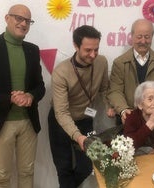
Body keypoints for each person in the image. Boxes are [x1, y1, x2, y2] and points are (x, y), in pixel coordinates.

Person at [0, 4, 45, 188]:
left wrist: (30, 96)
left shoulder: (33, 49)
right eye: (19, 18)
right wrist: (8, 98)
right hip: (1, 123)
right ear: (7, 18)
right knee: (1, 175)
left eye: (27, 20)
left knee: (27, 172)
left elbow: (40, 86)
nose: (23, 23)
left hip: (28, 122)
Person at [48, 25, 110, 188]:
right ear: (76, 46)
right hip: (59, 122)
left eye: (96, 49)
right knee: (64, 168)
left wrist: (110, 105)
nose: (93, 54)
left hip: (85, 119)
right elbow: (61, 112)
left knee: (87, 166)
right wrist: (78, 136)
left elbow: (104, 89)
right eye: (88, 50)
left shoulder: (102, 62)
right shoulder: (61, 72)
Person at [107, 18, 154, 125]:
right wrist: (123, 110)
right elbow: (115, 90)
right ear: (132, 36)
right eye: (139, 37)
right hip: (128, 118)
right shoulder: (119, 63)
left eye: (147, 37)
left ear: (152, 37)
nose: (143, 41)